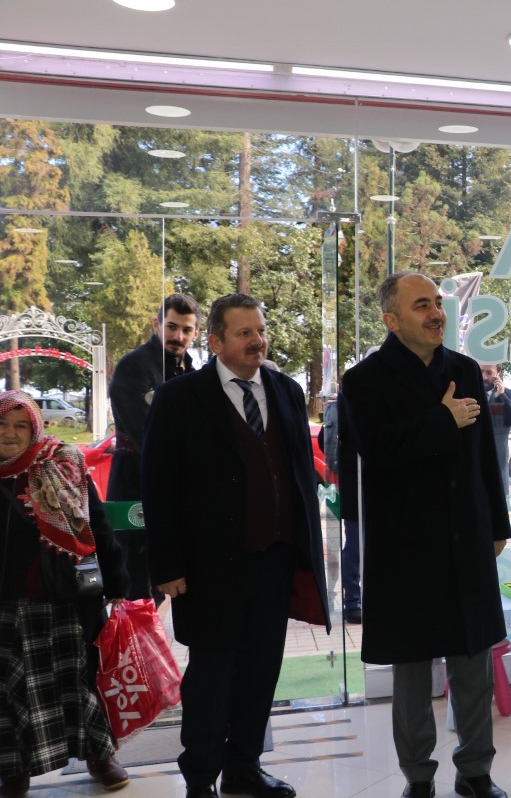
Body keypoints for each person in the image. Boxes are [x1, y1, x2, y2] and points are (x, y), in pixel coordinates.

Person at [141, 293, 330, 798]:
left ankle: (243, 767)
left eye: (260, 331)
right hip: (209, 568)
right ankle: (200, 777)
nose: (257, 341)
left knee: (260, 671)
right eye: (244, 333)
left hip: (274, 561)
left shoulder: (286, 391)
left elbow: (297, 475)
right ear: (216, 341)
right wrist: (168, 564)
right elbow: (158, 486)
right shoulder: (180, 398)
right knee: (212, 677)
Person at [341, 272, 511, 798]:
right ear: (392, 320)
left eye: (437, 303)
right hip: (406, 546)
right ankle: (418, 777)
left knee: (473, 664)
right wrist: (441, 420)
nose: (437, 313)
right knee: (411, 671)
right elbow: (377, 450)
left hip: (467, 537)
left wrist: (497, 524)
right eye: (422, 305)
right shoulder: (364, 380)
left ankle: (476, 771)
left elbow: (485, 457)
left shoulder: (464, 369)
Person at [0, 391, 131, 796]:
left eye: (21, 425)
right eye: (1, 424)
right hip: (7, 603)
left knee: (80, 681)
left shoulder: (63, 463)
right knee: (9, 688)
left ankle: (99, 755)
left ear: (35, 429)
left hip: (67, 598)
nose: (10, 433)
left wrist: (117, 582)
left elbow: (97, 525)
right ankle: (13, 769)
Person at [107, 292, 199, 601]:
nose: (178, 336)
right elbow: (147, 435)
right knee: (136, 587)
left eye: (186, 329)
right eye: (172, 327)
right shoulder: (132, 366)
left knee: (171, 579)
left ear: (196, 332)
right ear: (156, 324)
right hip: (134, 483)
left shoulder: (190, 370)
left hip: (172, 486)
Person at [320, 395, 362, 625]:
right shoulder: (345, 404)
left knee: (356, 545)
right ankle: (353, 601)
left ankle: (354, 601)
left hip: (362, 487)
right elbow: (326, 440)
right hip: (356, 488)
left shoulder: (346, 403)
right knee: (355, 545)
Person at [479, 363, 511, 497]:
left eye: (489, 373)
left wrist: (503, 398)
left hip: (498, 468)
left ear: (498, 373)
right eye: (481, 371)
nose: (484, 377)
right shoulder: (468, 393)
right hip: (473, 468)